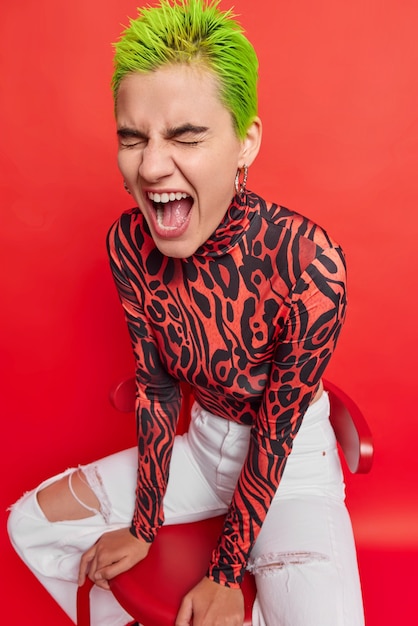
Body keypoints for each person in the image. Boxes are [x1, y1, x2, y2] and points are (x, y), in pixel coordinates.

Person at [7, 1, 365, 624]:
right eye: (132, 137)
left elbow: (275, 434)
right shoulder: (129, 245)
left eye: (186, 136)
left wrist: (227, 572)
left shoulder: (311, 265)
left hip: (291, 466)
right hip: (199, 451)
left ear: (244, 141)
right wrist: (144, 524)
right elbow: (158, 390)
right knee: (29, 523)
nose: (149, 166)